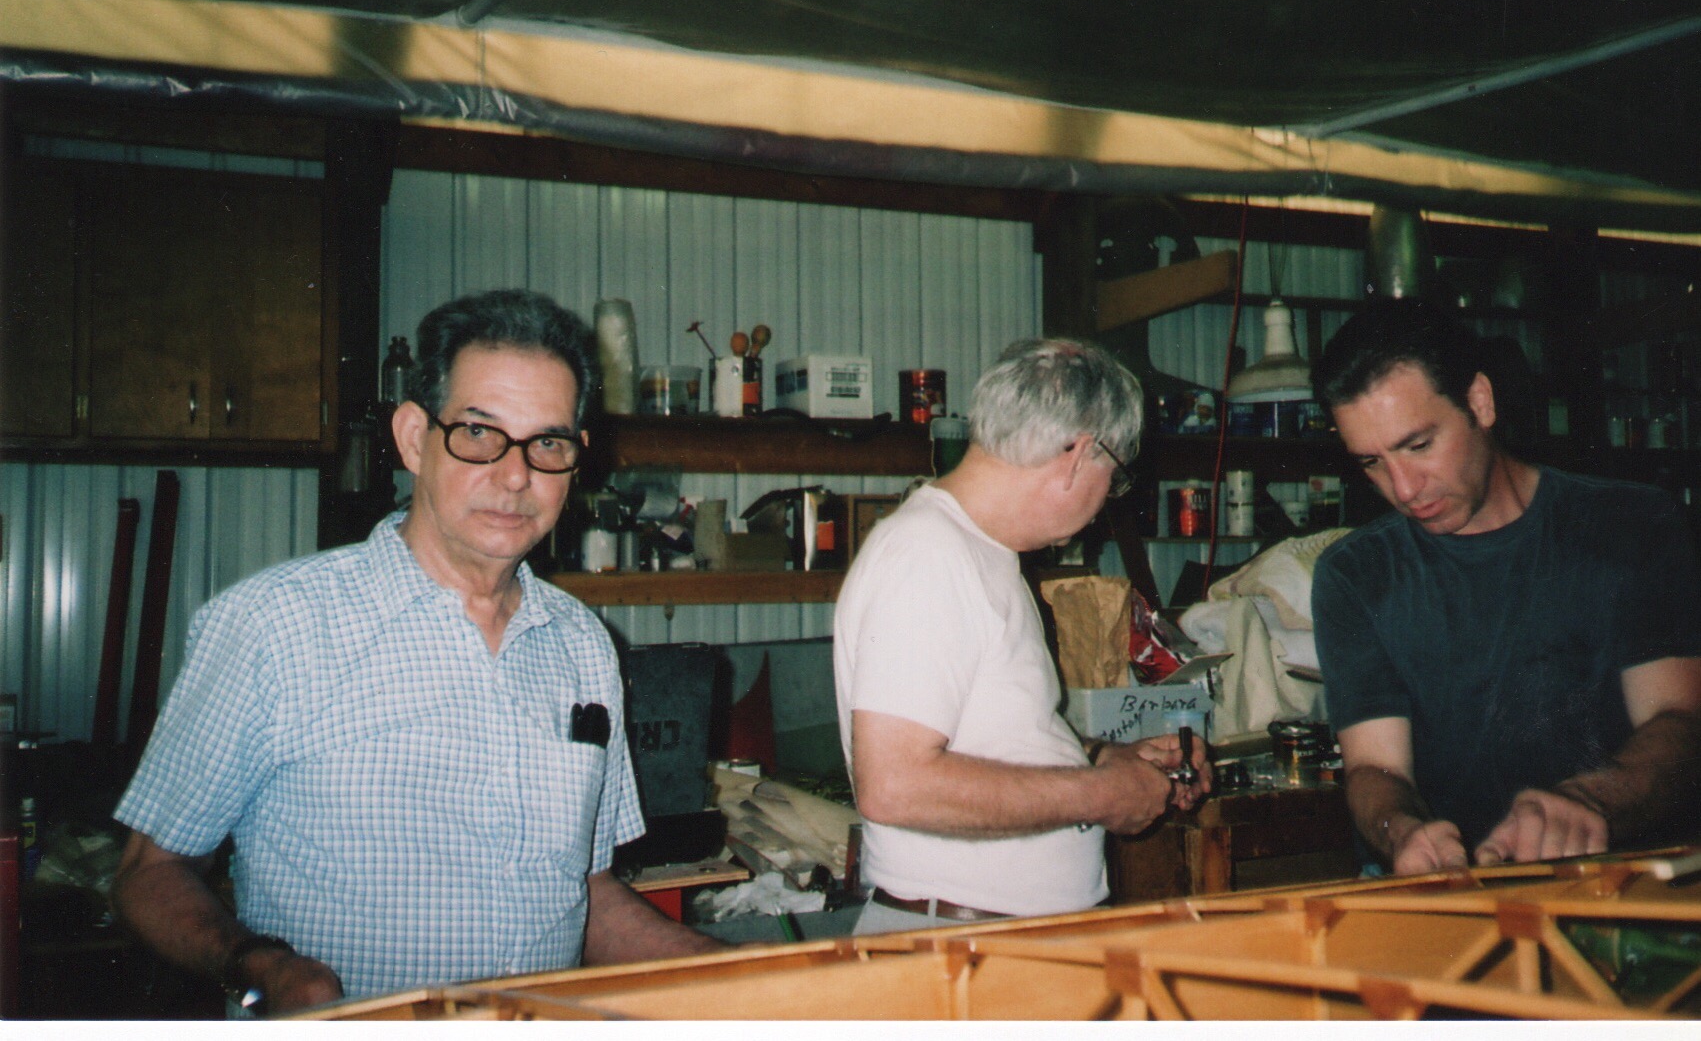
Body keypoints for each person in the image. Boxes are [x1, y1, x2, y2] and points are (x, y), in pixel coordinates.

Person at [111, 289, 722, 1015]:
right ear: (411, 439)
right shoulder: (273, 626)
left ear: (577, 460)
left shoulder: (584, 647)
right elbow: (150, 871)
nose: (516, 475)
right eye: (478, 433)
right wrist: (261, 967)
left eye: (547, 443)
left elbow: (582, 894)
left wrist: (734, 972)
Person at [1310, 298, 1701, 876]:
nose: (1403, 487)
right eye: (1370, 462)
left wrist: (1591, 802)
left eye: (1418, 445)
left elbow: (1680, 723)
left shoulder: (1630, 526)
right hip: (1456, 898)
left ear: (1480, 402)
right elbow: (1376, 772)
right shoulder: (1356, 576)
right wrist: (1403, 835)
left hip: (1629, 884)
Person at [834, 337, 1209, 935]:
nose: (1100, 504)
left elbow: (996, 736)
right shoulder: (928, 556)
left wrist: (1104, 760)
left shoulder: (983, 554)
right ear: (1079, 453)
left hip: (989, 940)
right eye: (1109, 481)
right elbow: (894, 786)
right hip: (962, 949)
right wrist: (1099, 795)